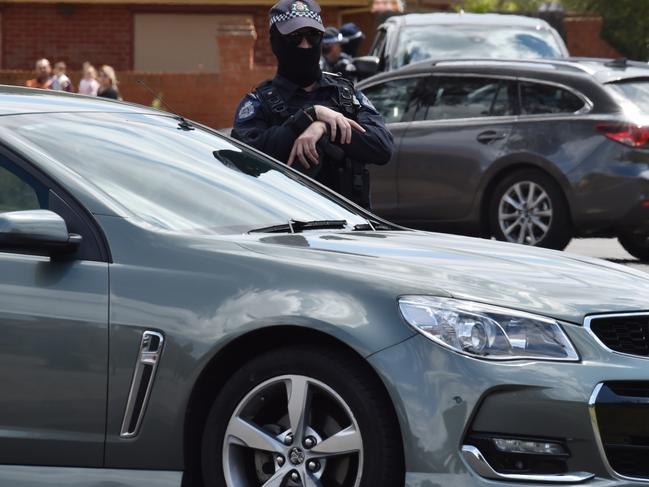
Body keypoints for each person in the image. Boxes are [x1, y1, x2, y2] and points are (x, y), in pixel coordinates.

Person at [231, 0, 393, 209]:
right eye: (295, 38)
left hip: (351, 225)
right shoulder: (259, 103)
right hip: (289, 228)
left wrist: (324, 127)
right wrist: (308, 117)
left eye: (313, 36)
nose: (305, 45)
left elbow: (382, 146)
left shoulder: (343, 92)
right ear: (275, 42)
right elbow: (246, 160)